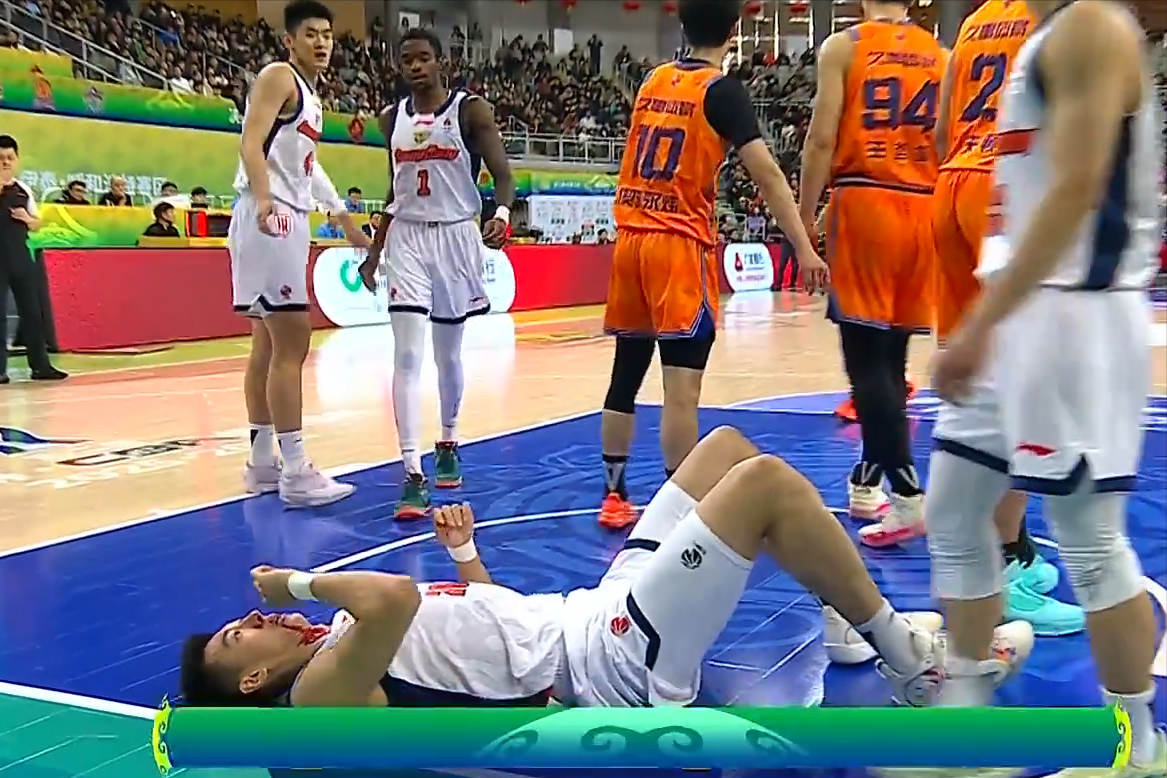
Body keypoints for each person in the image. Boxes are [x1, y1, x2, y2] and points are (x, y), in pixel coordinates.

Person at [179, 426, 1035, 709]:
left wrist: (467, 558)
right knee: (765, 486)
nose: (254, 617)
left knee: (723, 451)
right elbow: (395, 598)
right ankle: (908, 663)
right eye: (238, 634)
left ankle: (849, 625)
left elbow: (490, 635)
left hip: (584, 614)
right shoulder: (316, 693)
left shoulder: (340, 636)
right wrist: (293, 583)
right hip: (606, 665)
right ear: (251, 680)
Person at [929, 1, 1164, 774]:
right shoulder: (1043, 39)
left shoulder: (1092, 29)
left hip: (1073, 318)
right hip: (1022, 313)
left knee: (1090, 546)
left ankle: (1135, 747)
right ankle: (965, 722)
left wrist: (980, 323)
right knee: (954, 509)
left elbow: (1076, 187)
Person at [598, 0, 827, 530]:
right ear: (734, 27)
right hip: (677, 245)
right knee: (681, 390)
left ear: (682, 22)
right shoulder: (721, 91)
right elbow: (768, 175)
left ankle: (613, 494)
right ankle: (676, 511)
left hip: (631, 240)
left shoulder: (652, 80)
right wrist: (804, 246)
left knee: (624, 375)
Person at [931, 0, 1083, 639]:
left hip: (953, 184)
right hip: (1008, 185)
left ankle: (990, 553)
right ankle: (1003, 570)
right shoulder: (1057, 15)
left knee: (979, 381)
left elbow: (941, 127)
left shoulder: (974, 22)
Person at [799, 0, 943, 546]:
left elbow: (821, 139)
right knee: (893, 360)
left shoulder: (844, 47)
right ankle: (865, 483)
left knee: (866, 366)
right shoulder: (941, 55)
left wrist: (805, 218)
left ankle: (907, 496)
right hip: (924, 204)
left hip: (865, 201)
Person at [358, 28, 514, 520]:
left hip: (455, 235)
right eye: (407, 59)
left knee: (447, 354)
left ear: (441, 62)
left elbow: (503, 174)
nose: (415, 66)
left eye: (423, 57)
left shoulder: (471, 111)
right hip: (407, 237)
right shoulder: (391, 119)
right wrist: (374, 252)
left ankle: (448, 439)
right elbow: (395, 190)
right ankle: (411, 472)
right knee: (406, 355)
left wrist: (501, 215)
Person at [229, 0, 367, 507]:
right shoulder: (279, 76)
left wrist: (343, 217)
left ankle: (262, 463)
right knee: (292, 340)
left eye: (327, 34)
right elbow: (250, 142)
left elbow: (310, 166)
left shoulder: (310, 95)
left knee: (267, 345)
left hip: (280, 213)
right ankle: (296, 470)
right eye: (311, 33)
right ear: (290, 40)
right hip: (273, 214)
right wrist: (266, 199)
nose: (322, 42)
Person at [0, 134, 67, 385]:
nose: (6, 162)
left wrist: (26, 219)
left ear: (17, 159)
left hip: (20, 255)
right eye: (0, 158)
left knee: (32, 311)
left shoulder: (23, 189)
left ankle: (41, 366)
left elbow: (37, 223)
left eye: (10, 157)